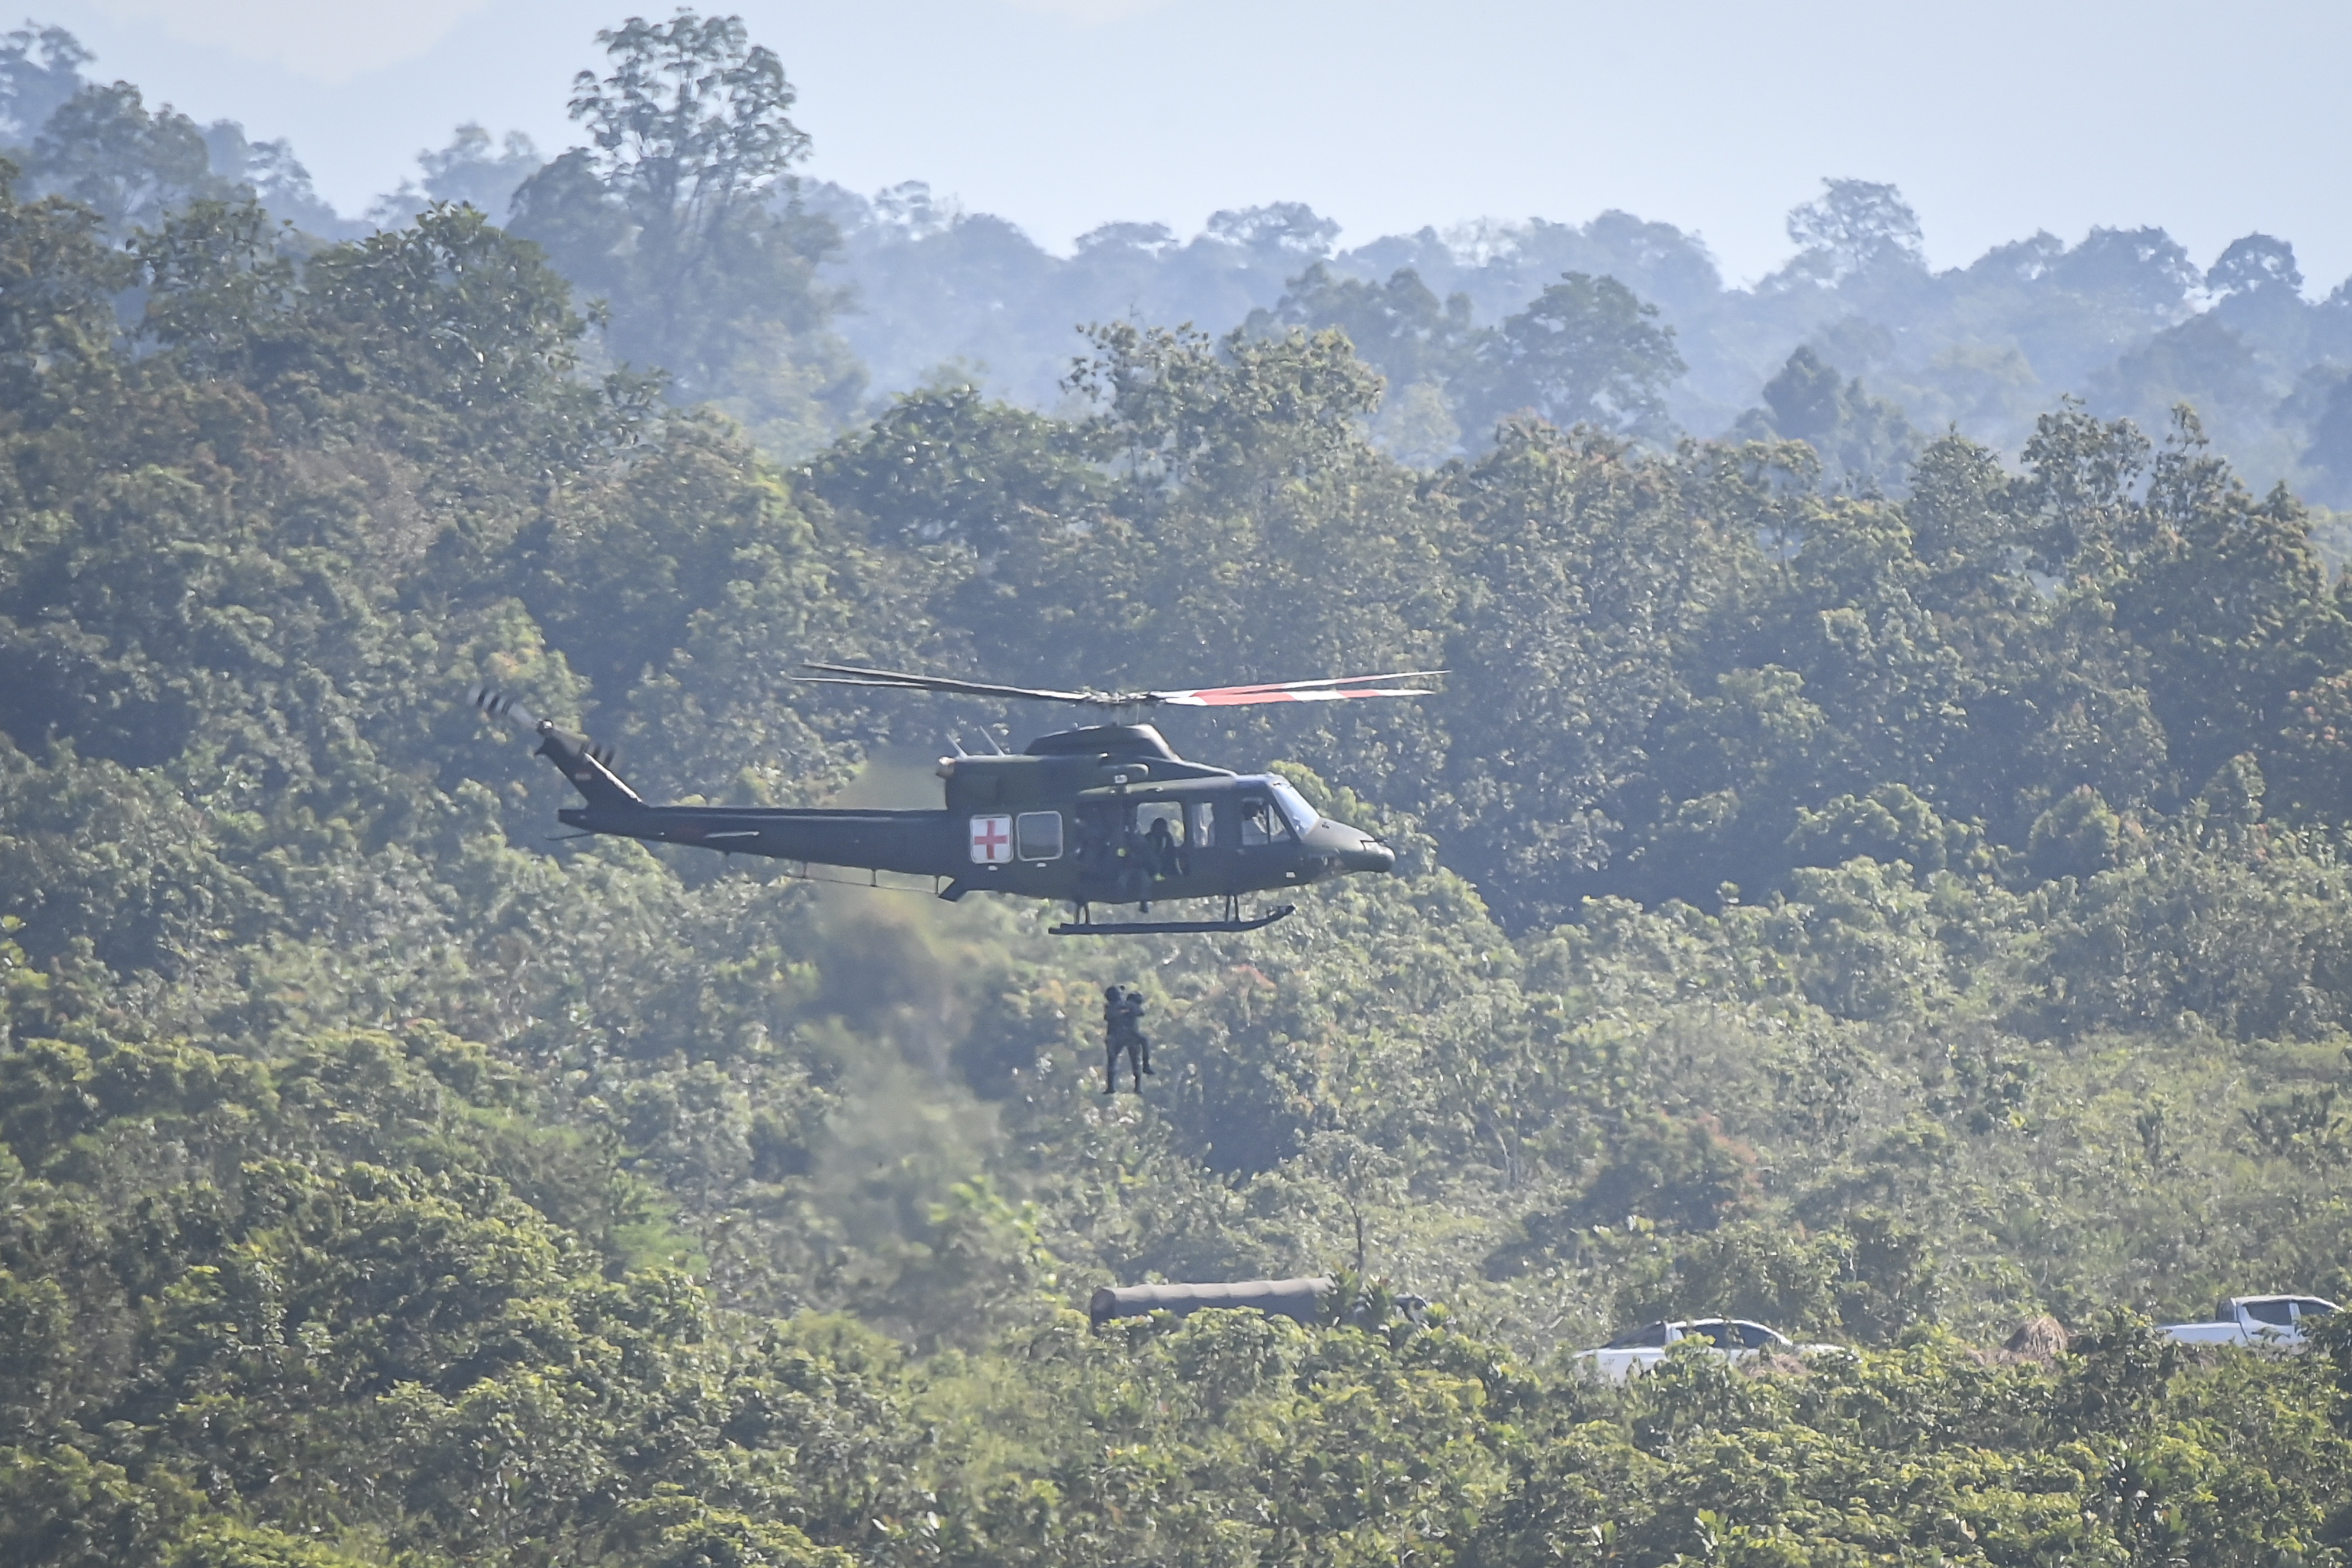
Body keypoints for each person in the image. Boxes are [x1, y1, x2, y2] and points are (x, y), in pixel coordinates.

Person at [1101, 984, 1152, 1092]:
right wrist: (1125, 1011)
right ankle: (1112, 1087)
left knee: (1132, 1059)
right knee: (1115, 1060)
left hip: (1126, 1035)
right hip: (1120, 1036)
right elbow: (1109, 1016)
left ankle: (1138, 1082)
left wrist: (1128, 1009)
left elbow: (1140, 1012)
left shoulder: (1126, 1005)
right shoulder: (1114, 1006)